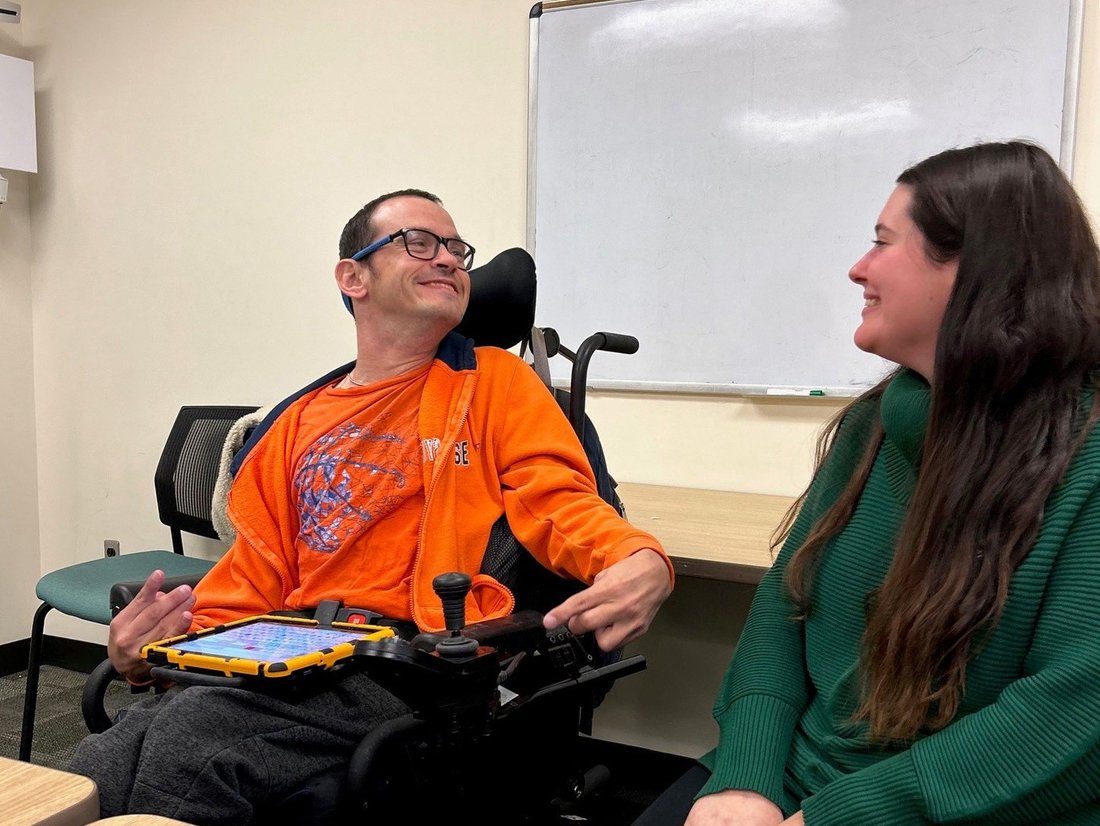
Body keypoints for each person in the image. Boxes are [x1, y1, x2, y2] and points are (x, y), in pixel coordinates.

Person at [70, 188, 674, 824]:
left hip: (401, 662)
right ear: (352, 277)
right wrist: (157, 654)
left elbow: (558, 502)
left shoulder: (494, 383)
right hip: (289, 647)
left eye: (456, 249)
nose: (448, 258)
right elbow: (252, 577)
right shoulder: (294, 422)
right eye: (420, 242)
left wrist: (635, 555)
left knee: (189, 747)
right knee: (96, 765)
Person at [639, 141, 1100, 825]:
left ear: (975, 268)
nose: (858, 268)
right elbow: (785, 604)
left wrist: (843, 816)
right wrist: (745, 778)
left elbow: (1070, 717)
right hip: (797, 778)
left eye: (883, 242)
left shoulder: (1085, 458)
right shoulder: (876, 424)